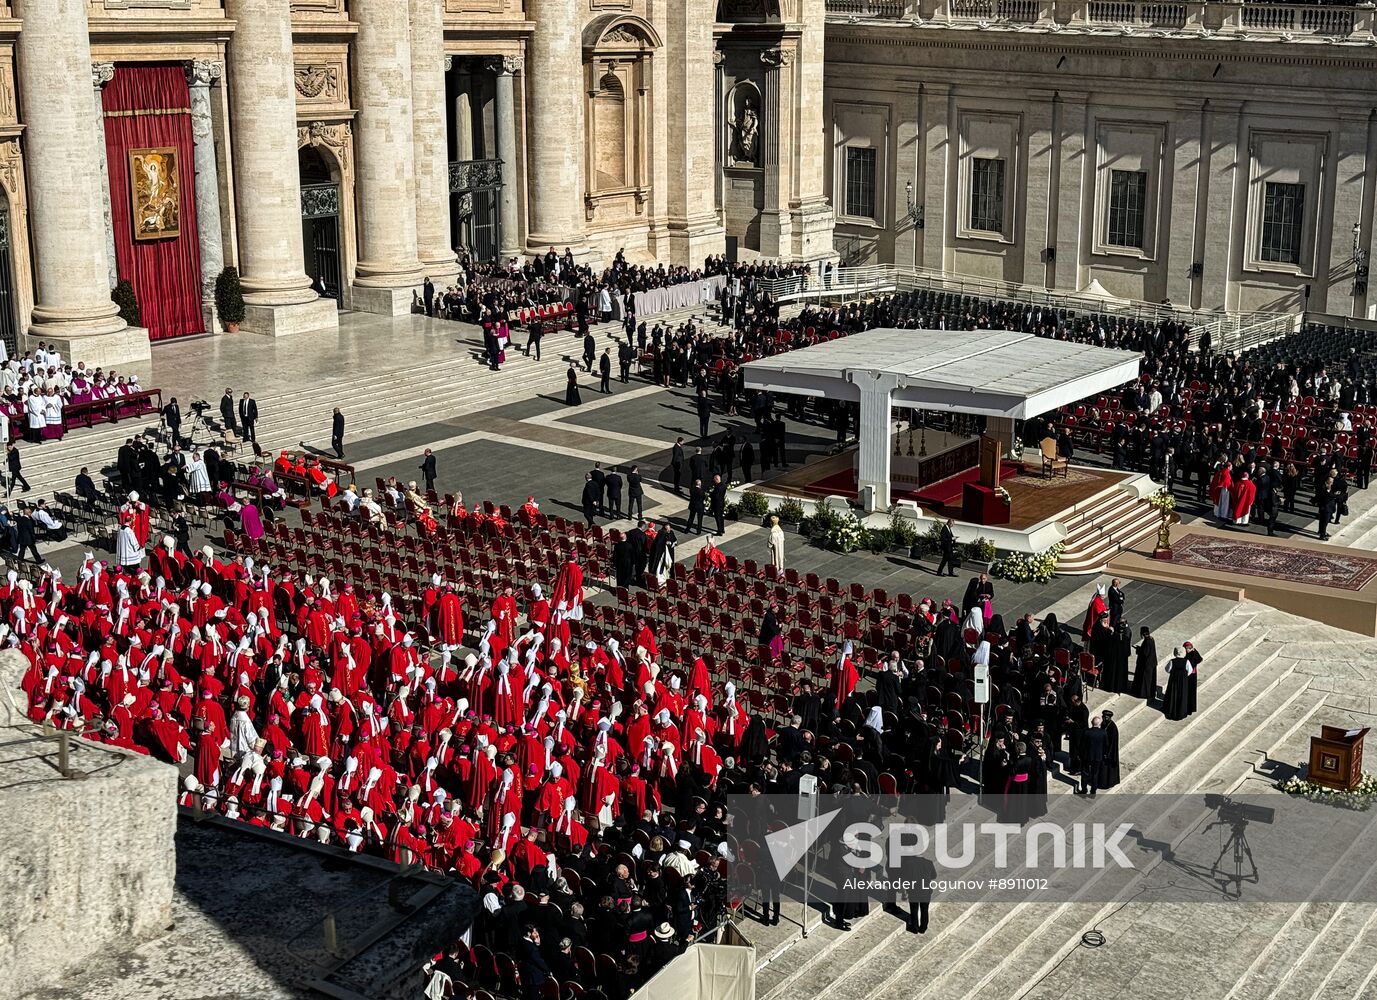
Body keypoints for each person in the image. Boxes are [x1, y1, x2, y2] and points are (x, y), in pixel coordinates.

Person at [1078, 716, 1107, 796]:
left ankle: (1084, 790)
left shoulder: (1086, 732)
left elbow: (1082, 745)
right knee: (1095, 774)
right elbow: (1106, 745)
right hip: (1098, 757)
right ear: (1099, 723)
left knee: (1085, 773)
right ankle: (1093, 791)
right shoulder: (1103, 732)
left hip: (1087, 756)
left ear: (1091, 722)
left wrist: (1080, 755)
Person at [1162, 647, 1193, 721]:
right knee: (1181, 695)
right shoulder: (1187, 662)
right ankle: (1180, 712)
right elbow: (1190, 671)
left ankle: (1171, 710)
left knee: (1173, 694)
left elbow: (1167, 669)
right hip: (1183, 682)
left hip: (1174, 681)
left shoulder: (1172, 661)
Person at [1131, 625, 1158, 700]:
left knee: (1145, 680)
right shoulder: (1151, 639)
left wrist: (1138, 649)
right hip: (1151, 663)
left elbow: (1145, 653)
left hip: (1146, 665)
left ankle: (1143, 694)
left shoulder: (1147, 641)